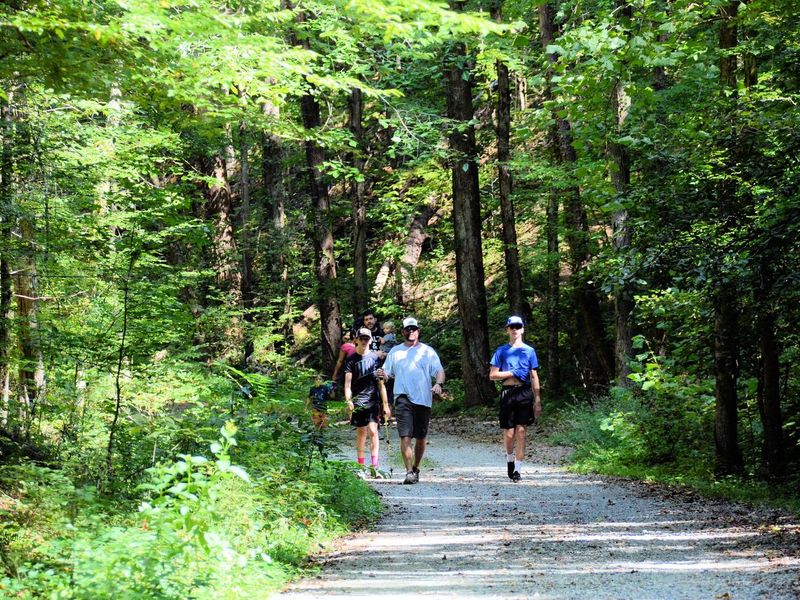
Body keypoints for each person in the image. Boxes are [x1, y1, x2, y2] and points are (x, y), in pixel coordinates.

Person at [377, 317, 445, 485]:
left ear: (418, 331)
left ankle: (416, 467)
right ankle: (408, 471)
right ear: (403, 332)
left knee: (420, 438)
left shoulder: (428, 351)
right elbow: (387, 373)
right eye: (408, 329)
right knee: (405, 436)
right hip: (402, 398)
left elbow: (439, 371)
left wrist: (438, 384)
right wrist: (382, 375)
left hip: (423, 399)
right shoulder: (395, 352)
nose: (411, 331)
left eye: (414, 329)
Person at [489, 315, 542, 483]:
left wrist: (538, 399)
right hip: (507, 392)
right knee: (509, 432)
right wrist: (512, 372)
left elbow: (534, 375)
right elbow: (492, 375)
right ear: (507, 330)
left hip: (524, 392)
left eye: (518, 326)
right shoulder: (501, 351)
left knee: (521, 431)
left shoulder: (529, 351)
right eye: (512, 327)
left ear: (522, 329)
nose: (515, 329)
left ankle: (518, 470)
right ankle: (509, 458)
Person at [345, 328, 392, 478]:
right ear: (356, 340)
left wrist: (385, 404)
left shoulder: (375, 358)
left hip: (373, 401)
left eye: (367, 339)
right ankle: (361, 467)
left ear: (370, 340)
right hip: (358, 402)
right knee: (361, 434)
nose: (364, 341)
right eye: (362, 338)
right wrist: (349, 401)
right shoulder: (351, 360)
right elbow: (347, 384)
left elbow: (381, 383)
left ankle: (375, 467)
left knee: (373, 432)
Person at [331, 329, 356, 398]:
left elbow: (340, 361)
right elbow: (340, 361)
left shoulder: (364, 346)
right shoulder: (346, 346)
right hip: (349, 370)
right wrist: (335, 373)